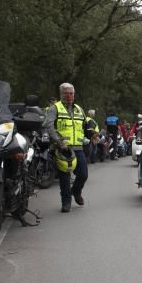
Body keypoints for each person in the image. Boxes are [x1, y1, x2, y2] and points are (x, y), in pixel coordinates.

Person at [45, 82, 89, 212]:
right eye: (66, 93)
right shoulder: (55, 108)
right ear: (61, 94)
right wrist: (59, 142)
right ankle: (66, 202)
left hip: (78, 147)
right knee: (64, 178)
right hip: (62, 148)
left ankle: (76, 192)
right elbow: (49, 126)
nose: (69, 96)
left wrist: (92, 135)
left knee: (83, 174)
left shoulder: (79, 109)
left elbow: (85, 126)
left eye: (71, 93)